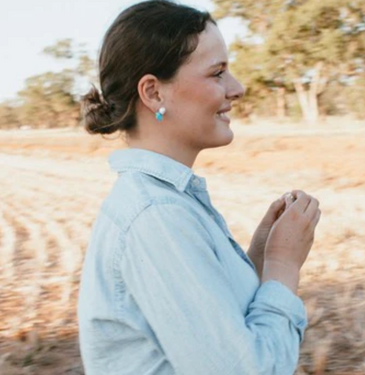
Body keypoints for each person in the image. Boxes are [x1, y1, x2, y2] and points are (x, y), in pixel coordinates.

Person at [77, 1, 321, 374]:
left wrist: (256, 258)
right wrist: (282, 266)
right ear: (154, 93)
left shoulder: (167, 202)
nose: (237, 89)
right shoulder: (156, 217)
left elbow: (214, 327)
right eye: (217, 72)